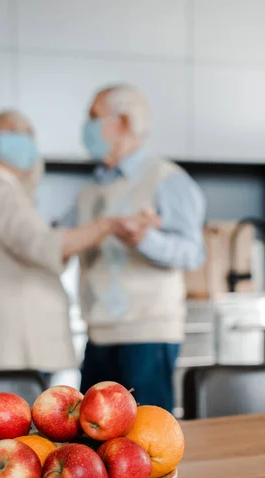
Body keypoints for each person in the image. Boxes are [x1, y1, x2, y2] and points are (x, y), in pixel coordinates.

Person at [0, 110, 124, 377]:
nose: (24, 141)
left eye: (29, 134)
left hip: (6, 344)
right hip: (19, 348)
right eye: (13, 133)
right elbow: (40, 246)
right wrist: (107, 225)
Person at [77, 84, 206, 411]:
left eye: (93, 117)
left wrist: (143, 239)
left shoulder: (167, 179)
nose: (86, 125)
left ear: (121, 123)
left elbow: (193, 253)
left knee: (146, 440)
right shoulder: (92, 188)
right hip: (99, 332)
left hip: (147, 334)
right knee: (89, 442)